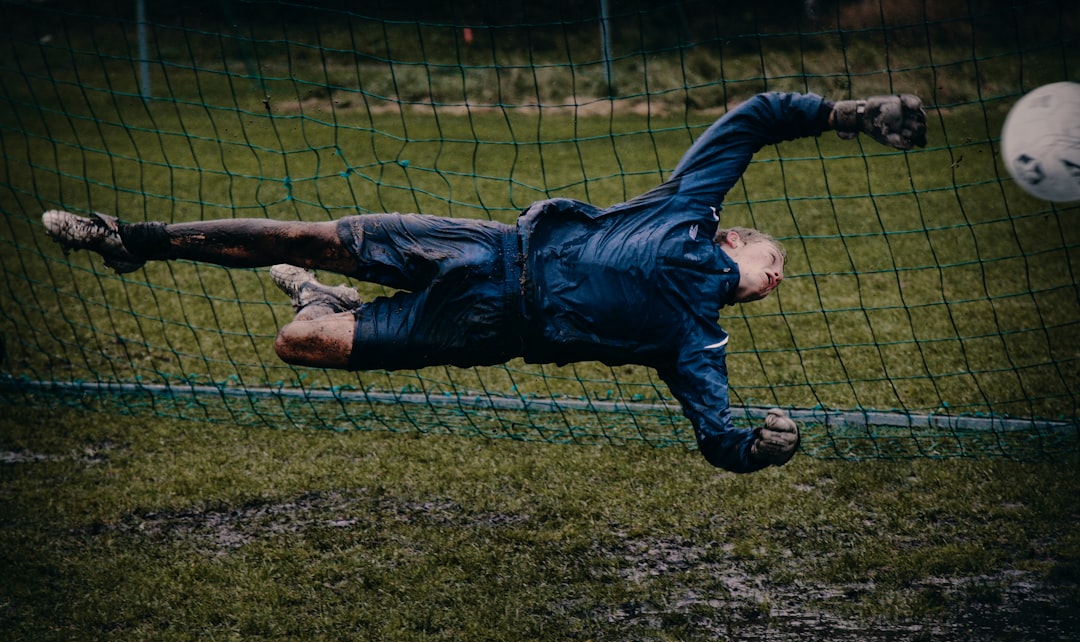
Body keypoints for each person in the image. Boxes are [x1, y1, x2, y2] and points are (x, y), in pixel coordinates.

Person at [42, 91, 927, 473]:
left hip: (485, 332)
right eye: (774, 262)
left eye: (776, 282)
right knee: (310, 234)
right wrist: (849, 116)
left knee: (301, 343)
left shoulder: (695, 339)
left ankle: (321, 304)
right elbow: (756, 119)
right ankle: (135, 239)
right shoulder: (688, 206)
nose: (775, 280)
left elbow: (714, 435)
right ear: (734, 237)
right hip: (482, 252)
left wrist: (756, 448)